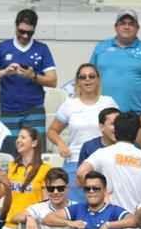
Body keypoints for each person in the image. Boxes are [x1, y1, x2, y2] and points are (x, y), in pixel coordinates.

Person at [0, 9, 56, 152]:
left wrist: (33, 76)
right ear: (15, 26)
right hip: (9, 110)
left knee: (36, 154)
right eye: (22, 31)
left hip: (34, 109)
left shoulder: (42, 49)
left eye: (29, 32)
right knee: (10, 154)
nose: (25, 36)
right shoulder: (3, 47)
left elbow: (53, 81)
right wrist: (4, 72)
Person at [47, 65, 114, 201]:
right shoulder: (70, 104)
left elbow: (117, 130)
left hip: (103, 162)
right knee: (75, 206)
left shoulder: (108, 102)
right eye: (83, 77)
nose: (87, 80)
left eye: (91, 76)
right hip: (75, 161)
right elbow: (52, 131)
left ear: (98, 80)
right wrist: (61, 144)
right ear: (77, 82)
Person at [90, 10, 141, 115]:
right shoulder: (101, 47)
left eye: (131, 24)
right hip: (103, 114)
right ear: (116, 27)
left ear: (138, 28)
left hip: (135, 115)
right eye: (123, 23)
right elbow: (89, 77)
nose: (127, 27)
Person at [0, 126, 48, 229]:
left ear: (34, 143)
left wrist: (31, 217)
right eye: (18, 137)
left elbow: (46, 202)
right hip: (10, 225)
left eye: (23, 137)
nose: (18, 140)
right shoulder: (12, 166)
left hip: (30, 227)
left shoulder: (45, 169)